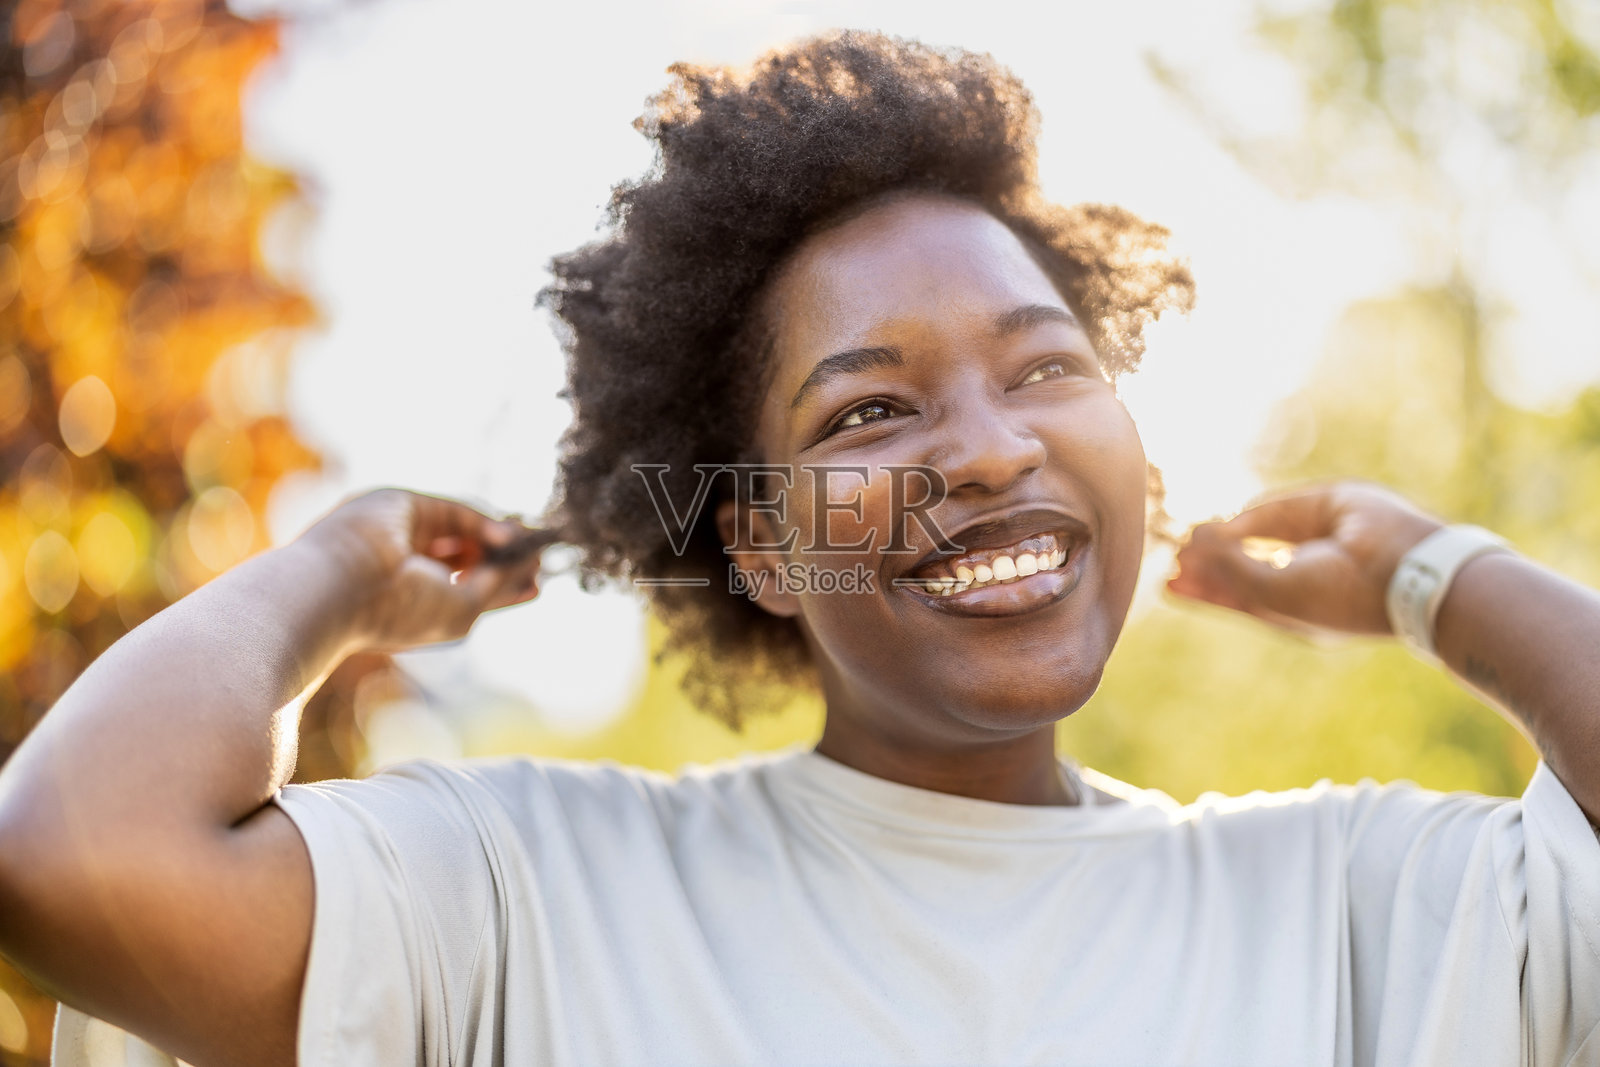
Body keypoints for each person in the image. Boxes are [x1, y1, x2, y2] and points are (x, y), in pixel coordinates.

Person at [2, 30, 1597, 1067]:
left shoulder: (1348, 904)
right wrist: (342, 575)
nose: (989, 448)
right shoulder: (531, 887)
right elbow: (77, 854)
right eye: (868, 411)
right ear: (762, 547)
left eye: (1046, 366)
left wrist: (1437, 578)